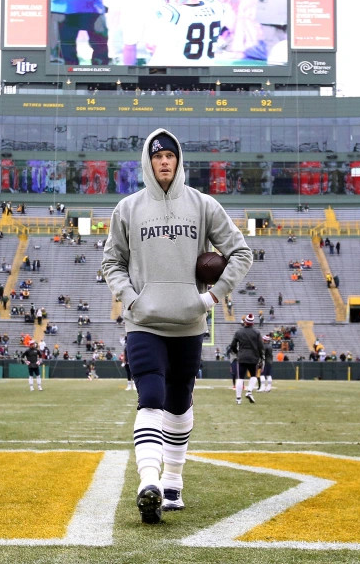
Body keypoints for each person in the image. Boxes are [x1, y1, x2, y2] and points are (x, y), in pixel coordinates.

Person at [102, 128, 253, 524]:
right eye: (157, 156)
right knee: (150, 395)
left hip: (188, 323)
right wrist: (130, 299)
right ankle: (147, 482)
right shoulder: (128, 208)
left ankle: (173, 480)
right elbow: (111, 261)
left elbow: (241, 252)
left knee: (180, 403)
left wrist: (212, 296)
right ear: (147, 162)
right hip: (144, 322)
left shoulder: (203, 205)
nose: (164, 162)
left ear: (178, 160)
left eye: (170, 155)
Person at [149, 0, 228, 66]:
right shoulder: (216, 7)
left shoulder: (171, 12)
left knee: (150, 69)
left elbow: (151, 45)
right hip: (206, 69)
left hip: (178, 71)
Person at [229, 314, 264, 404]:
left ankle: (238, 399)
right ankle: (249, 392)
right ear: (253, 323)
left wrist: (237, 353)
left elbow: (232, 346)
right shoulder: (257, 333)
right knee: (253, 376)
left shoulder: (239, 332)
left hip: (242, 357)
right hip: (253, 357)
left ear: (245, 322)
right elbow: (261, 347)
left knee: (240, 378)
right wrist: (261, 357)